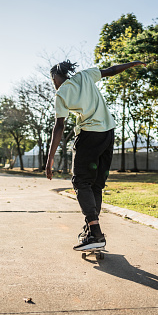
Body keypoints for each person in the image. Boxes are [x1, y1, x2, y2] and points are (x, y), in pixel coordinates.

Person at [46, 59, 147, 251]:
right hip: (108, 133)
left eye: (53, 81)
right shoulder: (85, 75)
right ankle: (92, 229)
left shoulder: (61, 93)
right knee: (96, 184)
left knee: (81, 182)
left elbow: (59, 126)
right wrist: (131, 63)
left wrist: (50, 159)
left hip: (89, 136)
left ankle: (95, 232)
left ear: (55, 78)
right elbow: (111, 70)